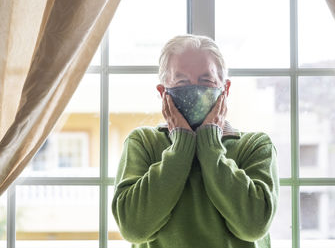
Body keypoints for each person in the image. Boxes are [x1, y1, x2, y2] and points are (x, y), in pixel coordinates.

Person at [112, 34, 279, 248]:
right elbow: (133, 229)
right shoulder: (143, 142)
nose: (195, 90)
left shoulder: (255, 146)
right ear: (163, 93)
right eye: (181, 82)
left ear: (225, 90)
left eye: (206, 81)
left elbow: (253, 226)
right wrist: (181, 145)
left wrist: (210, 145)